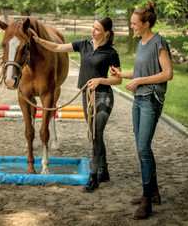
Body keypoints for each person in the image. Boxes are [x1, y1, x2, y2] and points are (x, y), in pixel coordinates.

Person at [29, 16, 122, 192]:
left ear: (106, 33)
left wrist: (100, 80)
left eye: (97, 29)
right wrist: (38, 40)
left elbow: (117, 81)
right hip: (86, 96)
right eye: (92, 27)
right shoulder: (84, 45)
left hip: (103, 96)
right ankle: (104, 168)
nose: (92, 31)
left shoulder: (111, 53)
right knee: (98, 134)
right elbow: (57, 47)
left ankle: (93, 177)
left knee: (95, 133)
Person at [110, 2, 173, 219]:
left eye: (135, 24)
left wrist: (139, 81)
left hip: (150, 100)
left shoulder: (158, 42)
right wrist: (121, 74)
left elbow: (167, 74)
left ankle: (147, 201)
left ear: (146, 23)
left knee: (144, 149)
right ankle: (152, 193)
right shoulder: (141, 43)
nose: (132, 27)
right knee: (141, 148)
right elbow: (139, 72)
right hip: (138, 100)